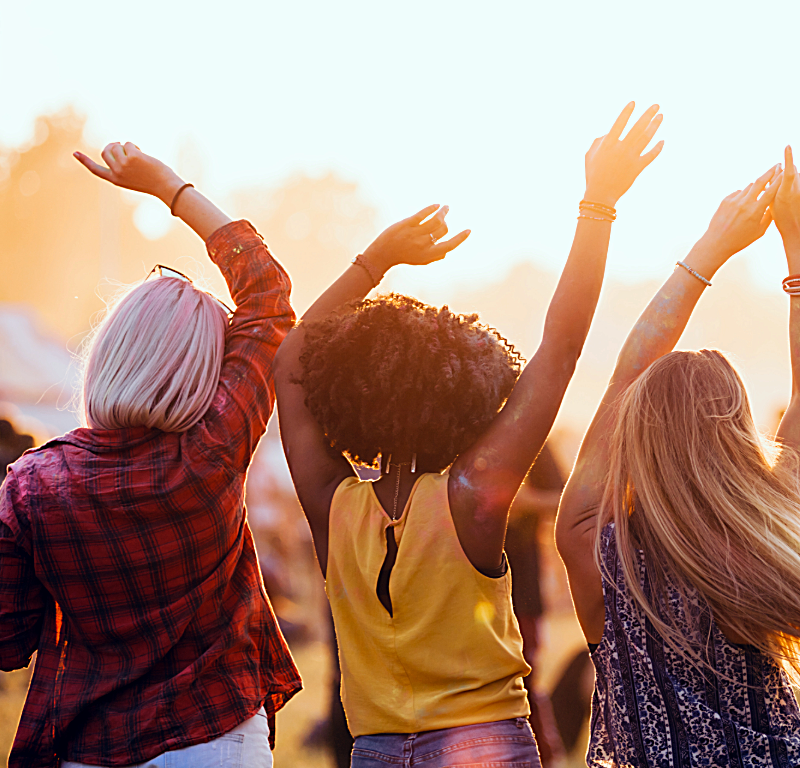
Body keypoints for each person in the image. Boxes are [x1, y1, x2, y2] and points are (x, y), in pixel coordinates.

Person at [274, 101, 664, 767]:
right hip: (486, 747)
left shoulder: (334, 510)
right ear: (468, 398)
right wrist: (597, 206)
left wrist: (374, 263)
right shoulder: (469, 496)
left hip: (374, 751)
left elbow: (289, 363)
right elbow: (559, 351)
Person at [556, 146, 800, 768]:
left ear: (636, 429)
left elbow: (626, 372)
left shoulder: (592, 541)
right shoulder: (768, 534)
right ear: (738, 430)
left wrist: (712, 245)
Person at [0, 142, 302, 768]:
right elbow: (267, 297)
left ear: (112, 353)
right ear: (202, 372)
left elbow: (1, 644)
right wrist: (169, 187)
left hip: (90, 745)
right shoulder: (212, 451)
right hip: (219, 738)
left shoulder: (31, 484)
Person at [505, 446, 568, 766]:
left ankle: (543, 757)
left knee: (525, 681)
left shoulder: (537, 441)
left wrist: (524, 502)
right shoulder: (461, 426)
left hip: (522, 588)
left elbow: (566, 498)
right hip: (463, 585)